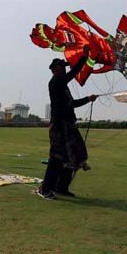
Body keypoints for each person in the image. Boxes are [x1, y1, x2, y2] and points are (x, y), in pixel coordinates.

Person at [36, 51, 97, 200]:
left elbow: (72, 103)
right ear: (53, 70)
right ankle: (45, 189)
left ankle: (61, 187)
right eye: (61, 67)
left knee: (75, 154)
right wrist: (84, 57)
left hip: (68, 125)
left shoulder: (63, 85)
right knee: (57, 157)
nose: (63, 69)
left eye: (64, 67)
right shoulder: (56, 83)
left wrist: (88, 99)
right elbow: (73, 73)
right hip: (59, 125)